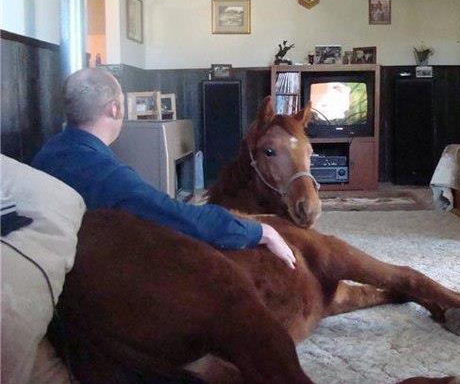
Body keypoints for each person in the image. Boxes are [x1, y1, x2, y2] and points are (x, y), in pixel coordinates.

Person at [32, 68, 296, 269]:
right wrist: (261, 231)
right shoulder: (107, 175)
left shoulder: (47, 153)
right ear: (114, 109)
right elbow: (179, 217)